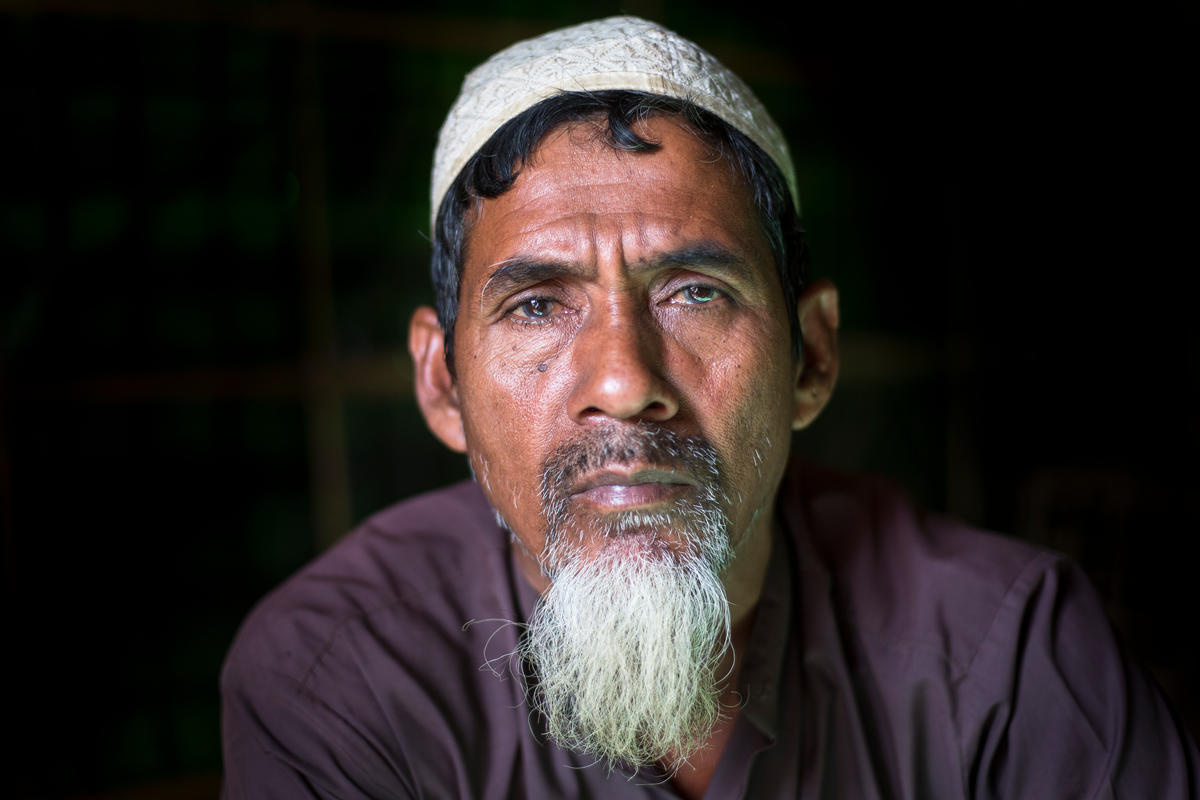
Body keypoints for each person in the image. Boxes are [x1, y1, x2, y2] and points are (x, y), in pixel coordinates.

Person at [220, 16, 1199, 799]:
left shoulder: (1011, 653)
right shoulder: (337, 676)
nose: (622, 381)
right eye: (537, 306)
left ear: (812, 357)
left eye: (694, 292)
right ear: (443, 385)